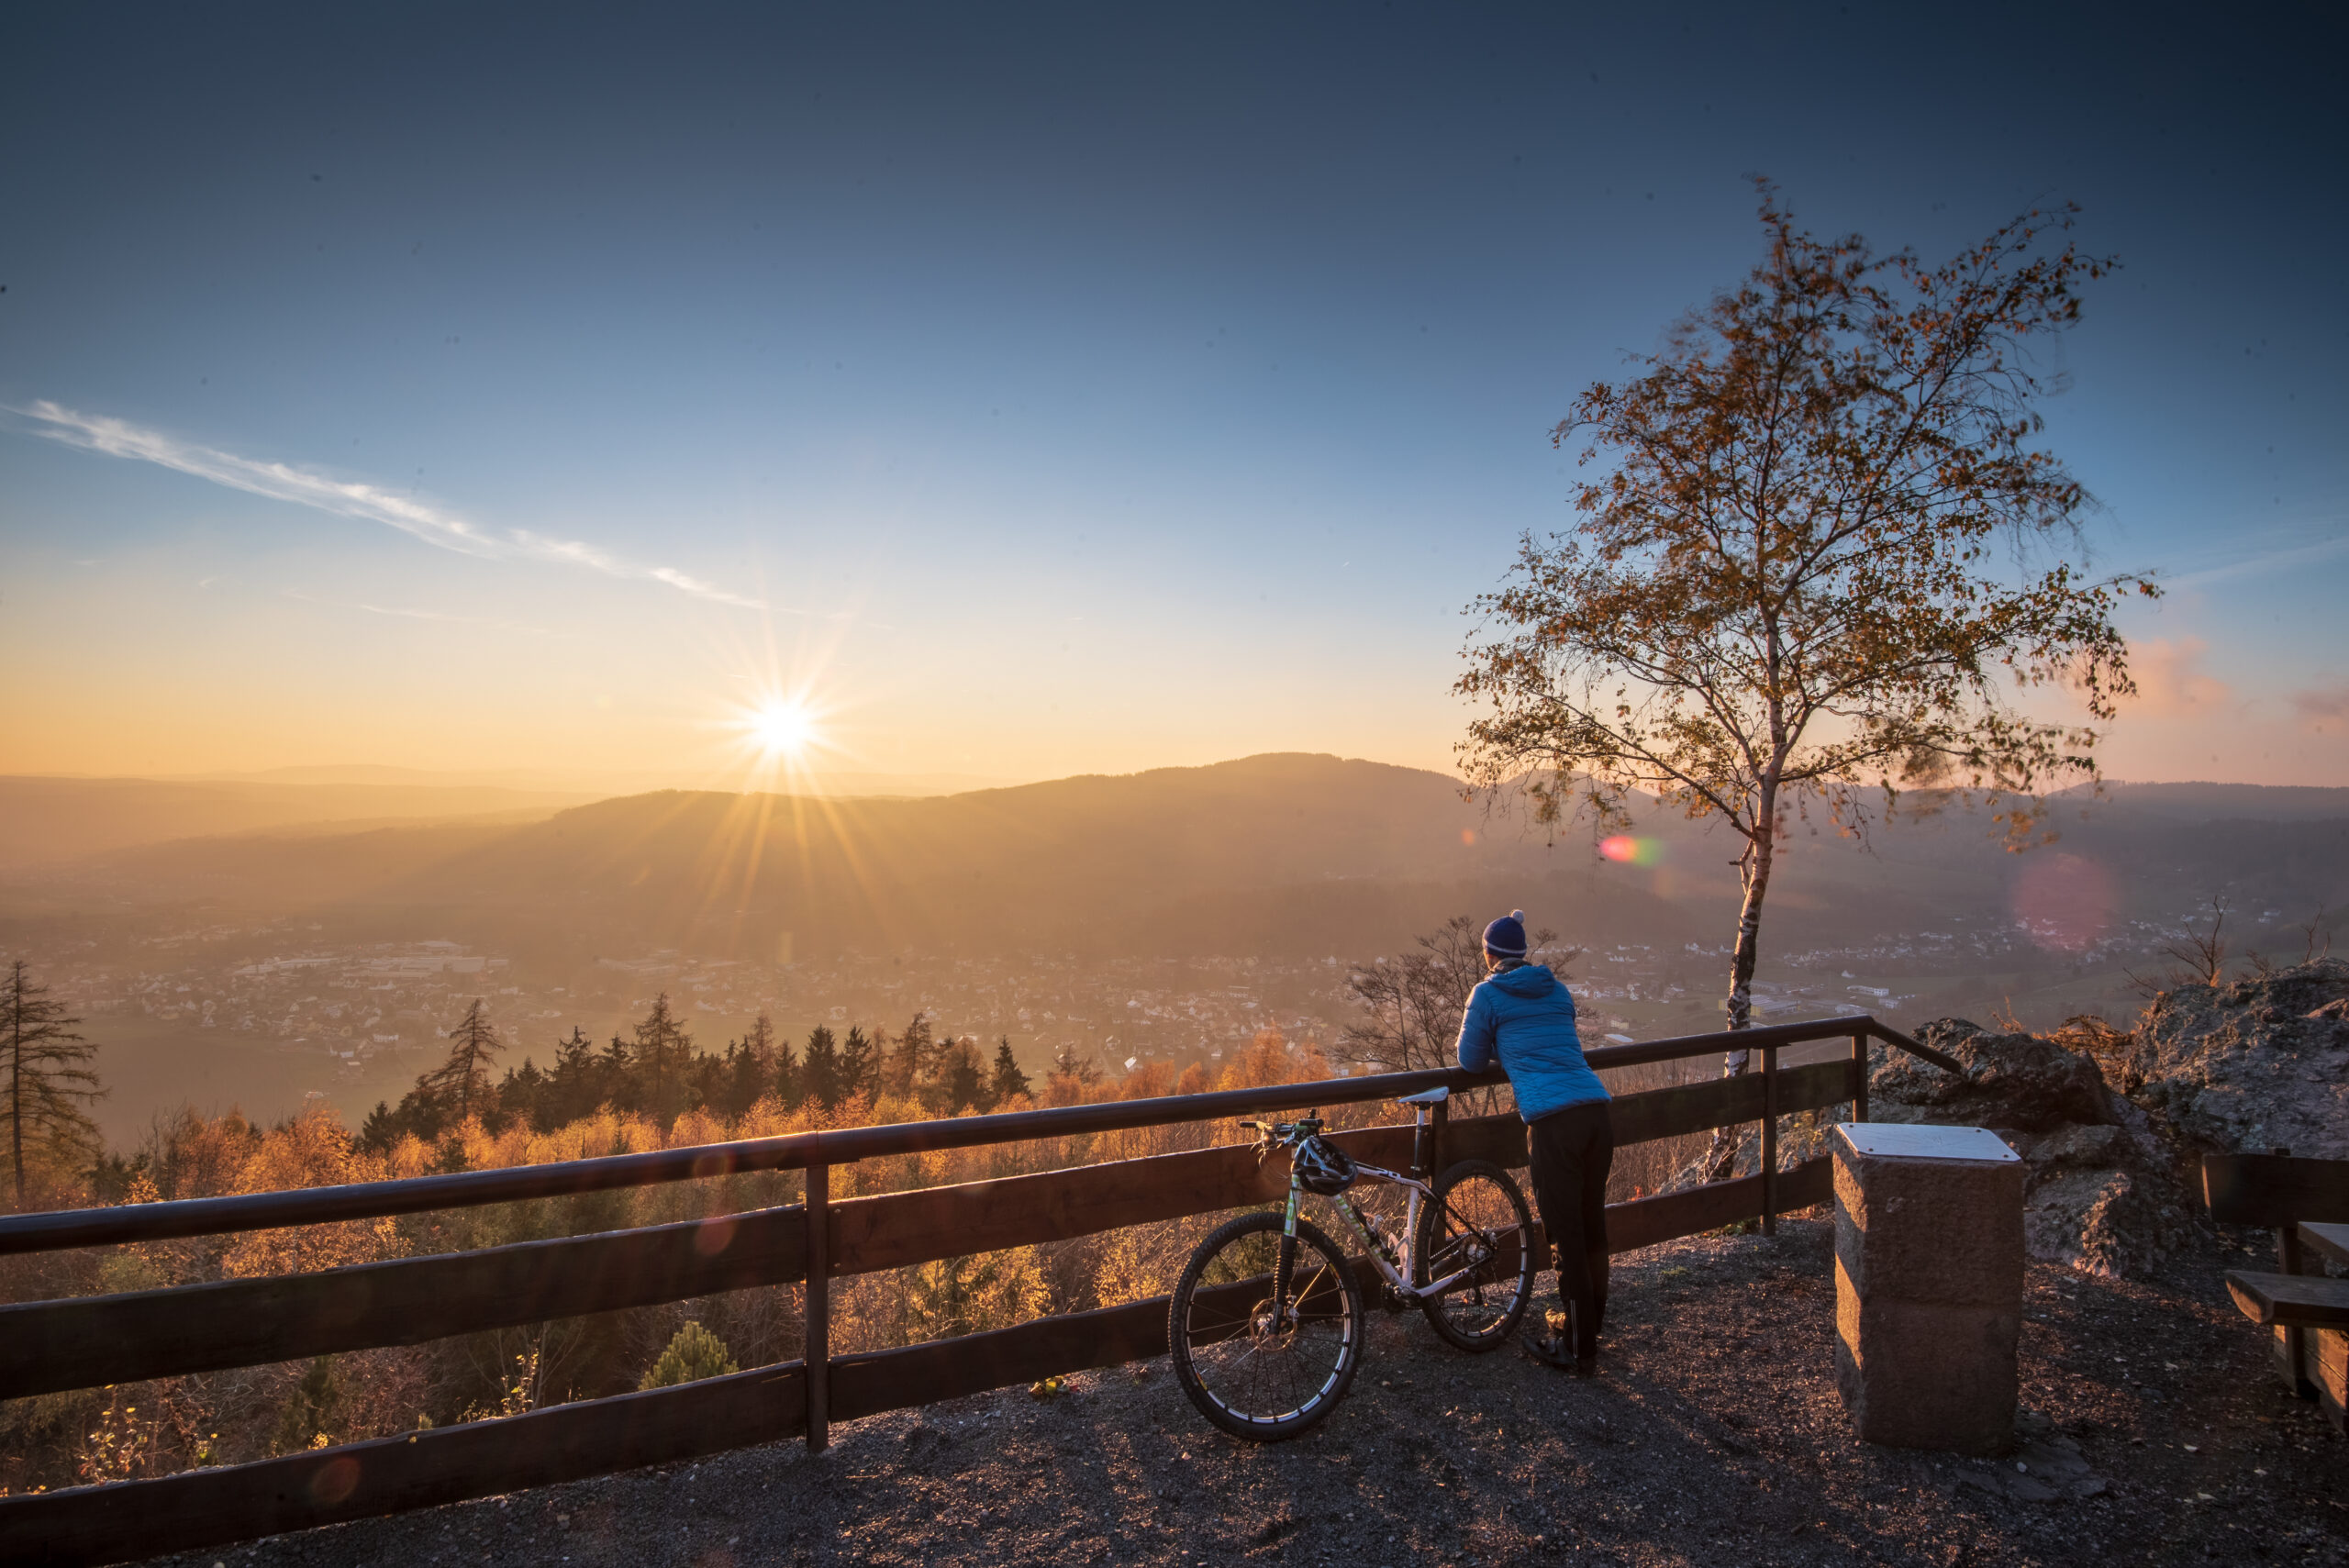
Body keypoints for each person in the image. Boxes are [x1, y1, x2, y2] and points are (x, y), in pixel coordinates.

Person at [1453, 909, 1612, 1373]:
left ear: (1489, 955)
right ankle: (1588, 1328)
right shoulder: (1557, 989)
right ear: (1523, 954)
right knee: (1592, 1226)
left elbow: (1468, 1061)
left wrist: (1501, 1044)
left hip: (1553, 1122)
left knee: (1565, 1234)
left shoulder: (1487, 994)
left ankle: (1577, 1349)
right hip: (1597, 1113)